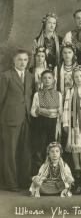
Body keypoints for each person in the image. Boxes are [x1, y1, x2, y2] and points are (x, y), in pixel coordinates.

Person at [0, 49, 34, 191]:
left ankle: (24, 181)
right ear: (14, 60)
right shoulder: (5, 76)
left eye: (25, 60)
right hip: (10, 120)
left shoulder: (30, 76)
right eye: (20, 59)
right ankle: (11, 183)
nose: (23, 62)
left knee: (25, 152)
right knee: (10, 152)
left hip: (27, 119)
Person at [30, 70, 62, 174]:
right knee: (40, 147)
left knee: (52, 147)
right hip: (41, 124)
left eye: (49, 78)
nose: (47, 80)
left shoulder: (58, 94)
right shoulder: (37, 94)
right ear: (41, 80)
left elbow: (60, 111)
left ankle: (51, 173)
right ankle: (40, 172)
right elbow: (32, 112)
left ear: (53, 80)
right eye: (44, 78)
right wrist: (39, 110)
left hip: (53, 124)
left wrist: (54, 112)